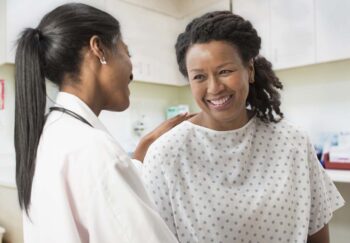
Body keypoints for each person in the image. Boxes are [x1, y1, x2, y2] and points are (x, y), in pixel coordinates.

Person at [142, 11, 345, 243]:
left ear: (249, 69)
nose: (214, 87)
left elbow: (317, 233)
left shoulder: (293, 142)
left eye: (225, 71)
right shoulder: (166, 154)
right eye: (199, 77)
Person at [14, 3, 187, 243]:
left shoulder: (51, 133)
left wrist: (140, 153)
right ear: (99, 49)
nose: (131, 70)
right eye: (127, 52)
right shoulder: (92, 149)